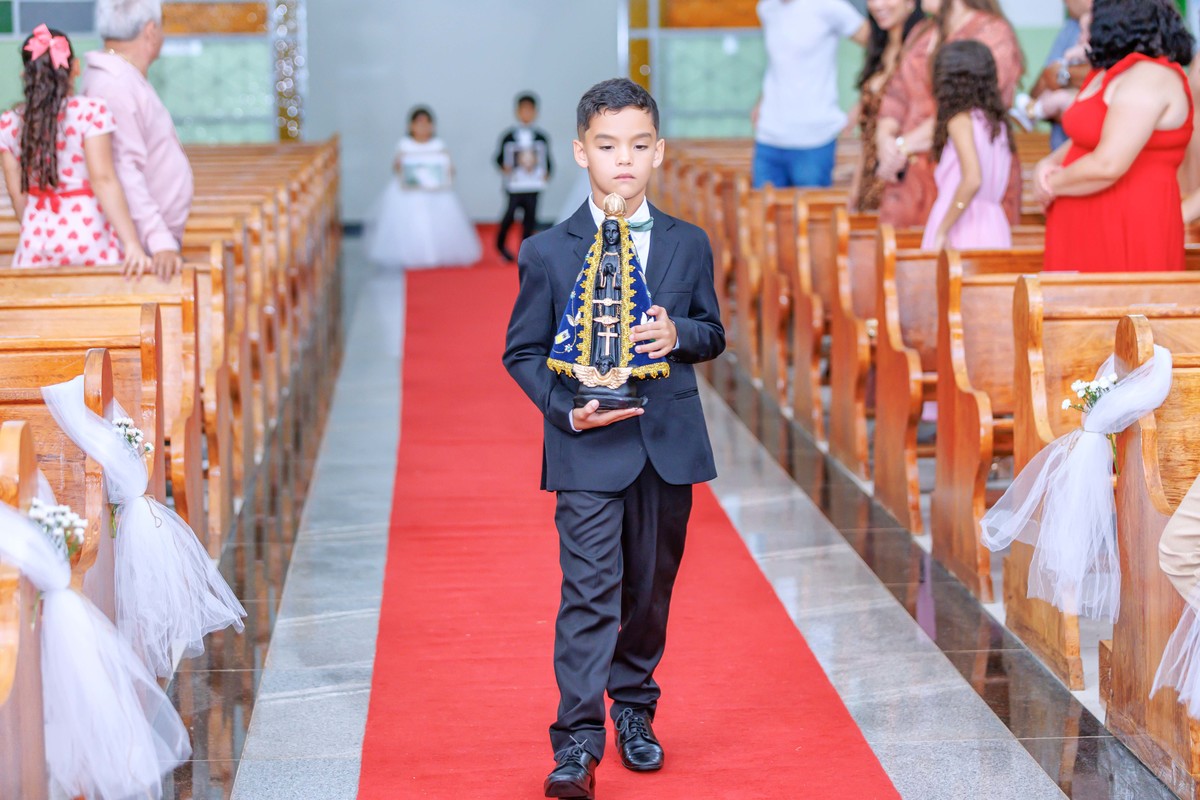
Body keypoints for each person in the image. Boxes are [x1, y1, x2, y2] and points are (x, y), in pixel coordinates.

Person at [503, 78, 724, 800]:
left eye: (637, 145)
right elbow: (522, 351)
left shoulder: (688, 243)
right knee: (589, 592)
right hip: (587, 448)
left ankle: (634, 708)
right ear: (581, 153)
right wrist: (565, 412)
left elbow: (713, 332)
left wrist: (678, 333)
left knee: (650, 591)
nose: (622, 160)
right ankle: (577, 740)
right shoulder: (547, 251)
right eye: (607, 146)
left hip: (666, 444)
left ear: (658, 152)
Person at [1038, 0, 1195, 272]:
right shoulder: (1107, 72)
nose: (1084, 25)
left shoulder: (1151, 75)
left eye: (1093, 16)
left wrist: (1051, 185)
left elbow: (1108, 164)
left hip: (1126, 220)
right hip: (1082, 219)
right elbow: (1088, 136)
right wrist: (1048, 163)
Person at [0, 25, 149, 274]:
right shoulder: (89, 112)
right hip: (88, 235)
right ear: (76, 67)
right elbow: (103, 179)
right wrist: (131, 243)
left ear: (26, 74)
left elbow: (18, 195)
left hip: (37, 241)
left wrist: (38, 227)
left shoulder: (10, 122)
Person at [875, 0, 1023, 228]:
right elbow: (896, 94)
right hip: (910, 177)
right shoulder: (923, 31)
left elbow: (971, 106)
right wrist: (884, 139)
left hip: (960, 174)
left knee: (950, 246)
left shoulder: (993, 33)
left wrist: (903, 146)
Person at [82, 0, 192, 281]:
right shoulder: (115, 84)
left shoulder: (121, 74)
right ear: (151, 31)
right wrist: (159, 240)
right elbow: (122, 170)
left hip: (149, 241)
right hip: (145, 250)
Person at [752, 0, 869, 189]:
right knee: (760, 207)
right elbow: (780, 62)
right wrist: (762, 99)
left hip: (814, 140)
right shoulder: (766, 7)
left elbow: (880, 45)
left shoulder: (829, 6)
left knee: (810, 208)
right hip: (768, 137)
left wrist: (864, 99)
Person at [921, 40, 1014, 251]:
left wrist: (943, 228)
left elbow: (972, 180)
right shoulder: (997, 124)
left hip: (963, 225)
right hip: (994, 224)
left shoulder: (961, 121)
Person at [366, 106, 481, 269]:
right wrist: (400, 164)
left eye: (427, 123)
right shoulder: (404, 144)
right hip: (408, 194)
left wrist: (447, 169)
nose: (423, 127)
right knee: (411, 222)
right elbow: (396, 168)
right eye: (419, 123)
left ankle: (435, 254)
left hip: (436, 193)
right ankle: (412, 254)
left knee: (438, 224)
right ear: (410, 126)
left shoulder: (438, 144)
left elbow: (449, 168)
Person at [850, 0, 925, 211]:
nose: (877, 5)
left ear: (911, 2)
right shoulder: (880, 47)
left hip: (903, 172)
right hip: (870, 174)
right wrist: (855, 189)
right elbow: (868, 135)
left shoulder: (920, 50)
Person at [1010, 0, 1092, 148]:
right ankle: (1033, 111)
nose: (1064, 2)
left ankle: (1034, 111)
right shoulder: (1070, 27)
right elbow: (1047, 76)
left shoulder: (1111, 27)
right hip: (1060, 146)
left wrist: (1062, 74)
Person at [495, 92, 553, 262]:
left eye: (530, 110)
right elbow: (499, 158)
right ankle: (500, 245)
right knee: (509, 216)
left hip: (533, 186)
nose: (527, 114)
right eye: (523, 110)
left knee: (530, 218)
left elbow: (547, 160)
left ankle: (525, 250)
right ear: (517, 111)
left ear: (536, 112)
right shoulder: (509, 136)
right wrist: (503, 166)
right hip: (514, 186)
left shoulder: (541, 137)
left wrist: (547, 172)